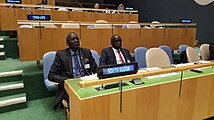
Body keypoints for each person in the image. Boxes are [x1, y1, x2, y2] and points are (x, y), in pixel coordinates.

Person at [48, 32, 97, 110]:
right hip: (69, 86)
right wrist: (67, 81)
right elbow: (51, 75)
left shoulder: (86, 52)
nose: (76, 41)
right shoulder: (61, 55)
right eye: (72, 39)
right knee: (77, 105)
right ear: (67, 43)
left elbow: (95, 69)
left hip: (85, 83)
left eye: (77, 39)